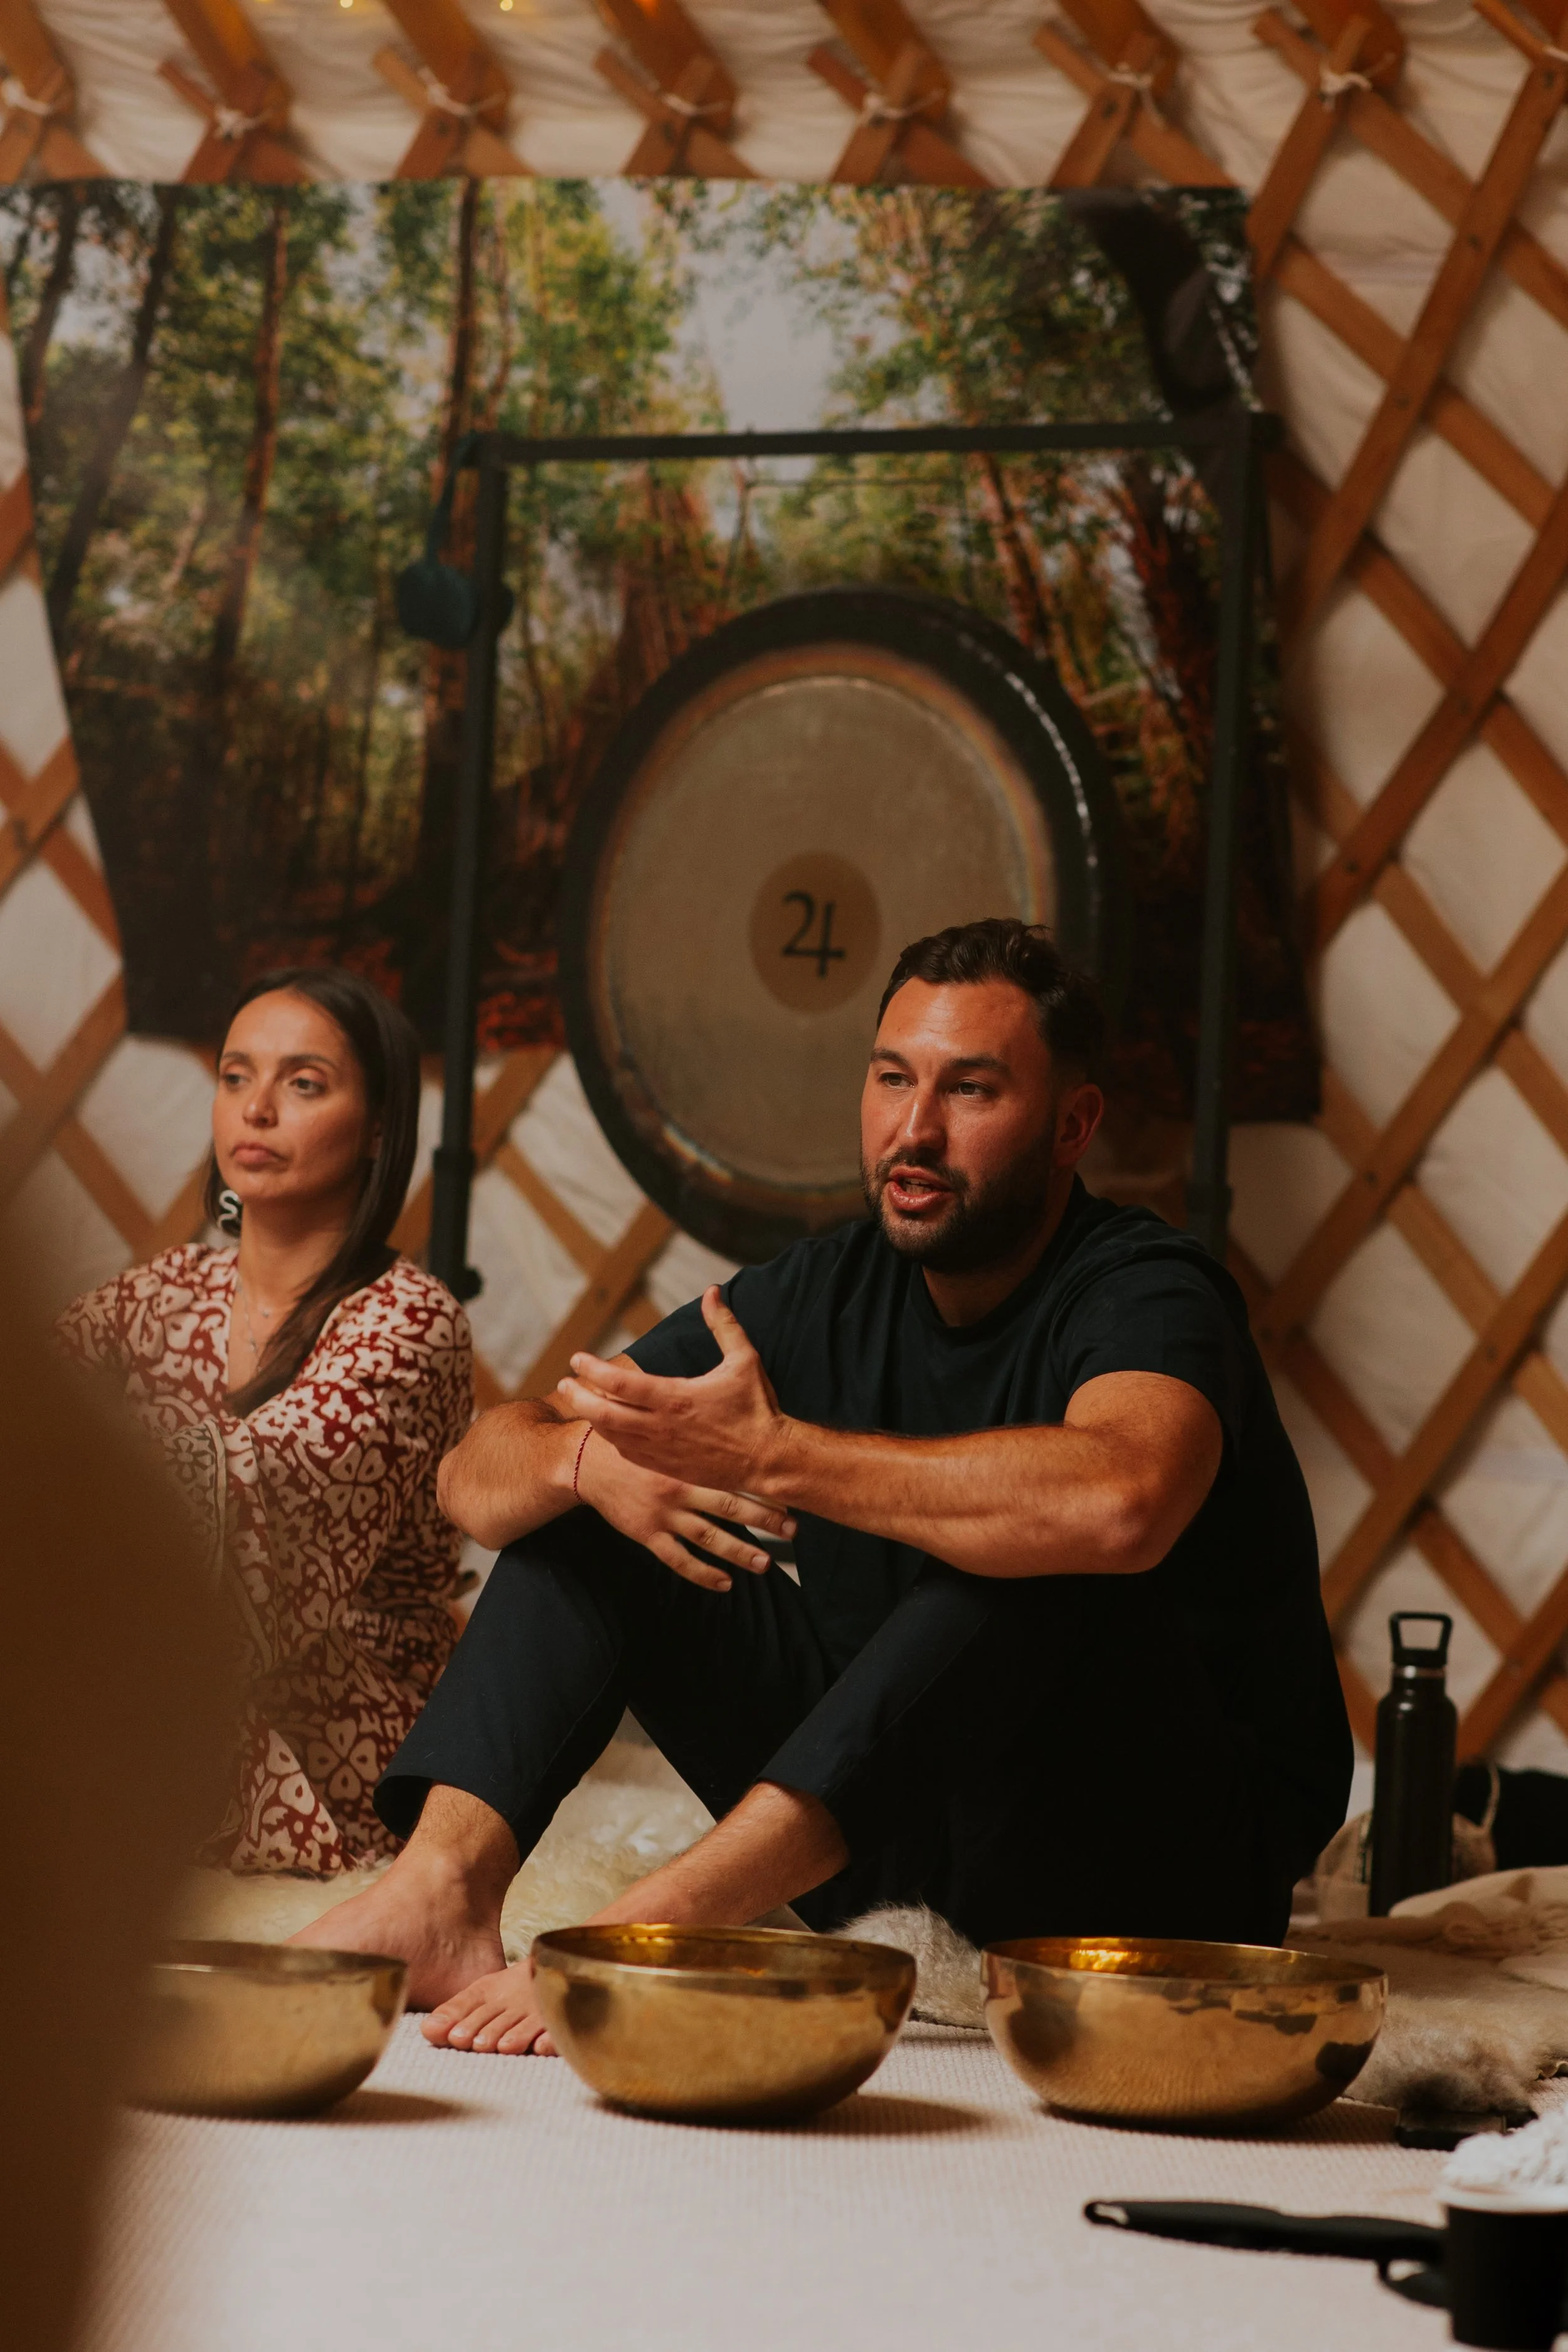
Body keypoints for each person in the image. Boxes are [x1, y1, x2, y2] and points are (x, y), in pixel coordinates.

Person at [299, 918, 1350, 2048]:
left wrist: (777, 1453)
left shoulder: (1146, 1289)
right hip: (895, 1835)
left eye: (974, 1089)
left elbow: (1123, 1499)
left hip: (1153, 1867)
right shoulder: (826, 1287)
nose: (916, 1127)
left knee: (1033, 1548)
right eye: (893, 1077)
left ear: (1072, 1124)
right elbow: (474, 1474)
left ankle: (652, 1926)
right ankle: (443, 1894)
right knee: (607, 1491)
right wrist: (585, 1460)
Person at [58, 966, 472, 1873]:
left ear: (376, 1129)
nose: (256, 1109)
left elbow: (267, 1492)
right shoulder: (173, 1288)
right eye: (236, 1076)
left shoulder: (410, 1321)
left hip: (340, 1709)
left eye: (304, 1082)